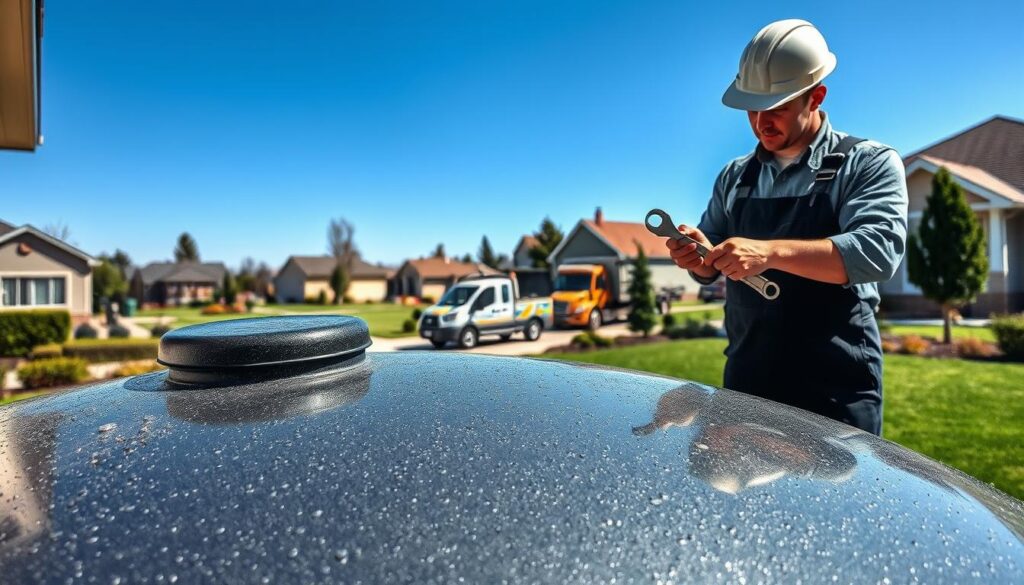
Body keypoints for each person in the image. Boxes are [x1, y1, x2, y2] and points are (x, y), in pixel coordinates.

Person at [667, 19, 908, 435]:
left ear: (816, 97)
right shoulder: (734, 177)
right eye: (752, 108)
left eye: (777, 106)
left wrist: (768, 252)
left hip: (836, 394)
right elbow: (710, 263)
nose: (762, 122)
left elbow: (876, 251)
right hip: (746, 387)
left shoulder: (868, 163)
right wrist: (700, 257)